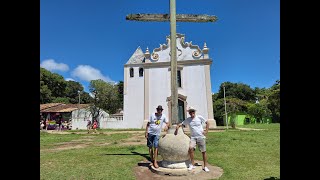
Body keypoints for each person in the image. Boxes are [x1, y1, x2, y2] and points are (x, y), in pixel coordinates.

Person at [175, 106, 210, 172]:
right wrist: (177, 126)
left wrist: (206, 131)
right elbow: (182, 124)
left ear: (194, 112)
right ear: (189, 113)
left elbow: (207, 122)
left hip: (201, 137)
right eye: (190, 112)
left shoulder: (199, 117)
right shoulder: (188, 119)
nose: (191, 113)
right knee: (191, 148)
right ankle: (192, 164)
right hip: (193, 137)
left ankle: (205, 166)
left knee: (203, 151)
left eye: (192, 111)